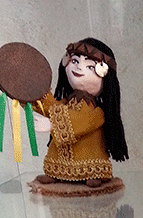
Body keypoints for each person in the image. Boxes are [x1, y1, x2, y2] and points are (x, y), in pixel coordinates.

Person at [32, 38, 128, 187]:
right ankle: (57, 173)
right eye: (75, 61)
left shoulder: (96, 111)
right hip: (61, 160)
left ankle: (92, 173)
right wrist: (36, 97)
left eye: (90, 66)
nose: (78, 67)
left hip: (89, 160)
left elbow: (80, 121)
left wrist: (52, 125)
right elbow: (53, 108)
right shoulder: (67, 101)